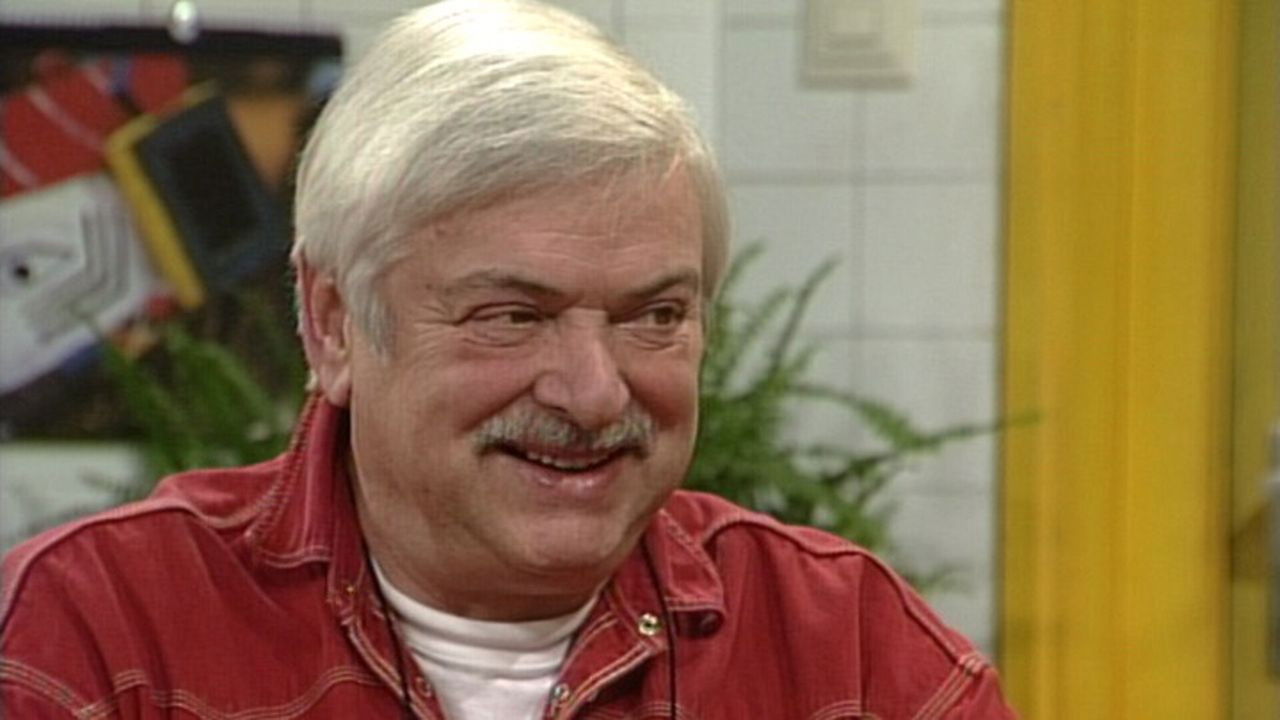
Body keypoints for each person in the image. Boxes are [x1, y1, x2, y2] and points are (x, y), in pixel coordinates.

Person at [0, 1, 1017, 718]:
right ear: (333, 324)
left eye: (654, 315)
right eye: (512, 317)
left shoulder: (848, 654)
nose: (594, 392)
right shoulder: (98, 634)